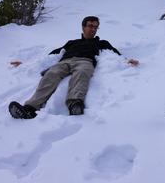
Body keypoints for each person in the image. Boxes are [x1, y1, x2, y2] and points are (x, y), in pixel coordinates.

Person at [9, 16, 139, 119]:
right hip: (65, 62)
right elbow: (51, 55)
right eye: (90, 26)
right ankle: (29, 109)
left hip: (85, 61)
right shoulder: (72, 43)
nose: (93, 29)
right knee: (51, 74)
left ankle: (75, 104)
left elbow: (114, 53)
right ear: (83, 27)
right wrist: (27, 64)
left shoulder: (101, 43)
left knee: (82, 73)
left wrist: (127, 61)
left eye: (96, 27)